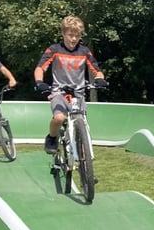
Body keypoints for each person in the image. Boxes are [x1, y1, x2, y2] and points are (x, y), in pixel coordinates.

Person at [34, 15, 108, 154]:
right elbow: (40, 68)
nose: (73, 39)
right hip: (59, 92)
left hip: (78, 93)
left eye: (77, 35)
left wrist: (99, 79)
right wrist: (40, 82)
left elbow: (96, 70)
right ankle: (52, 138)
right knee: (59, 118)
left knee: (83, 126)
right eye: (70, 35)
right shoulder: (54, 49)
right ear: (63, 34)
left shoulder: (84, 51)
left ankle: (87, 169)